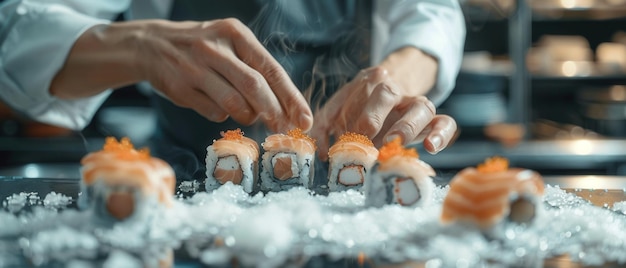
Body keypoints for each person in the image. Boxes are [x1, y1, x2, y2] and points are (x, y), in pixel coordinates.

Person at [0, 0, 465, 180]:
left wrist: (396, 77)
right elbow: (17, 32)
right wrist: (141, 45)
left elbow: (432, 13)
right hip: (185, 191)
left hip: (355, 200)